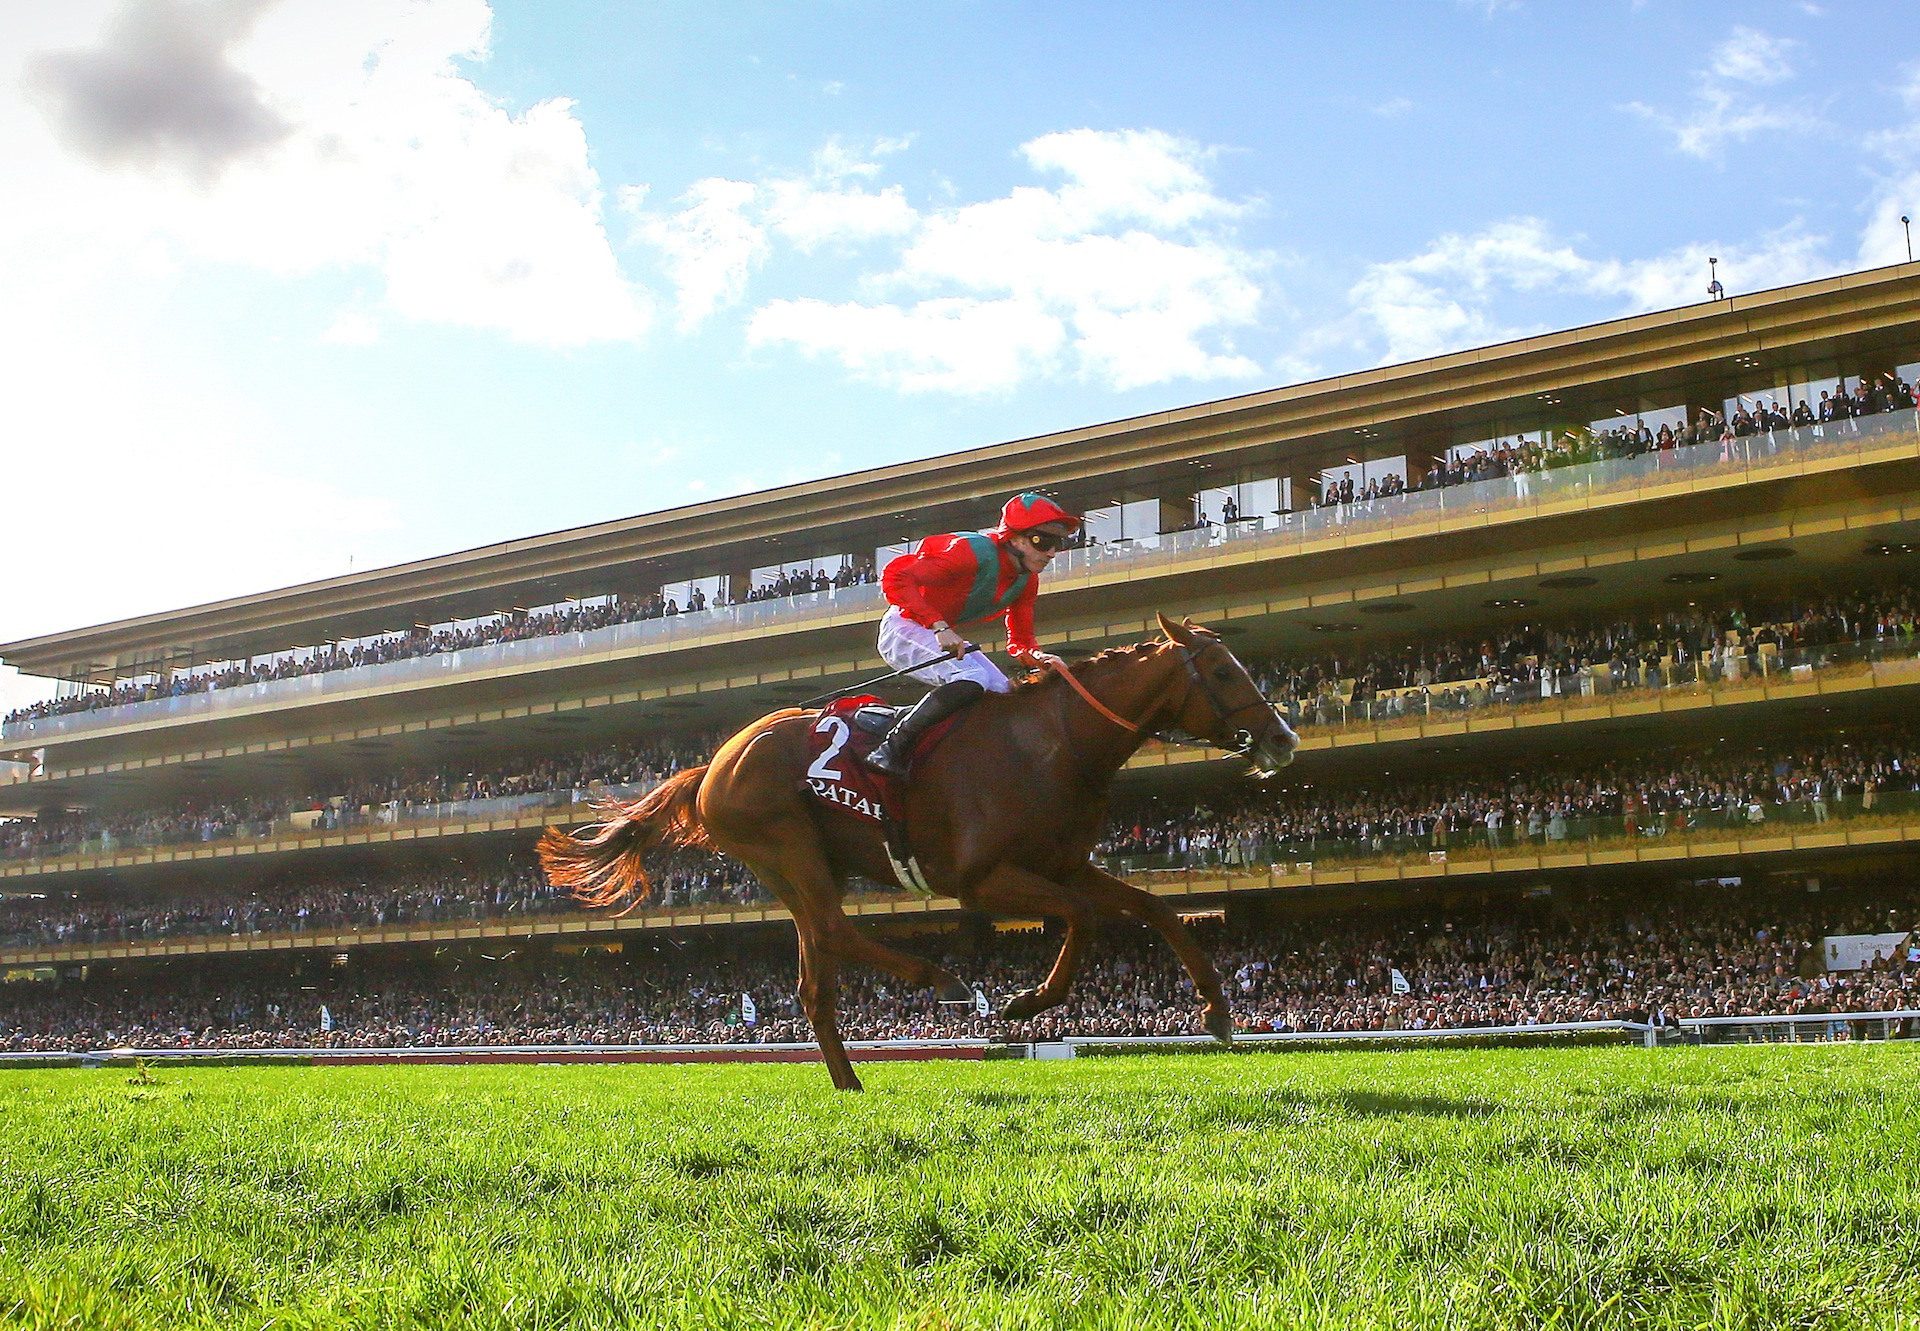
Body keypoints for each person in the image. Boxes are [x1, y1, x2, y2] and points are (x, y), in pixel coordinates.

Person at [861, 492, 1082, 779]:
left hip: (934, 630)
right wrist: (939, 626)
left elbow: (1021, 642)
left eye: (1058, 544)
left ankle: (910, 721)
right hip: (903, 626)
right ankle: (890, 749)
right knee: (971, 678)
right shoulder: (970, 551)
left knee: (1004, 694)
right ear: (1013, 539)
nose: (1052, 553)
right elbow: (896, 576)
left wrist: (1040, 658)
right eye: (1043, 541)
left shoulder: (1027, 581)